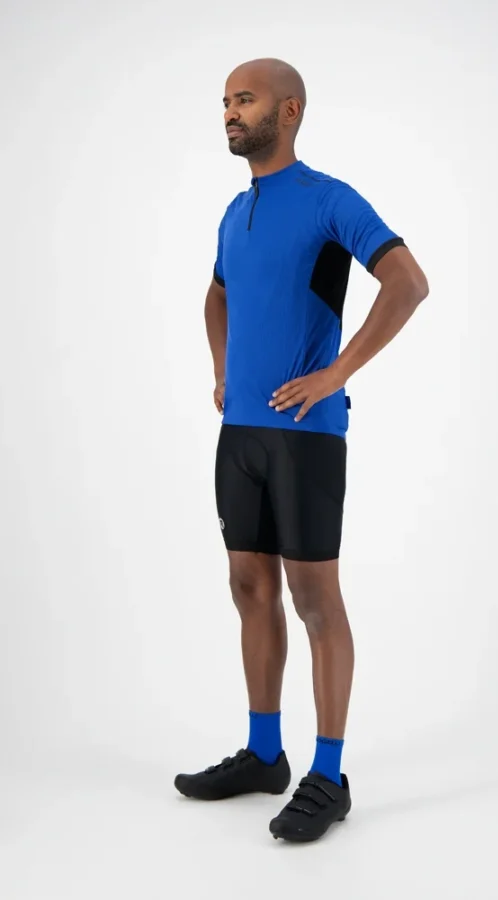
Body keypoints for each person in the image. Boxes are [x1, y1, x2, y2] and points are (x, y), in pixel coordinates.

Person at [174, 57, 429, 843]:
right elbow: (217, 294)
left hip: (306, 437)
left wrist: (336, 373)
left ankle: (330, 774)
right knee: (248, 585)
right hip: (241, 436)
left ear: (288, 111)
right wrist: (222, 372)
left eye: (244, 99)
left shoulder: (329, 199)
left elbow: (407, 282)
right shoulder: (235, 209)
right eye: (225, 101)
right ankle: (264, 755)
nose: (229, 112)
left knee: (315, 600)